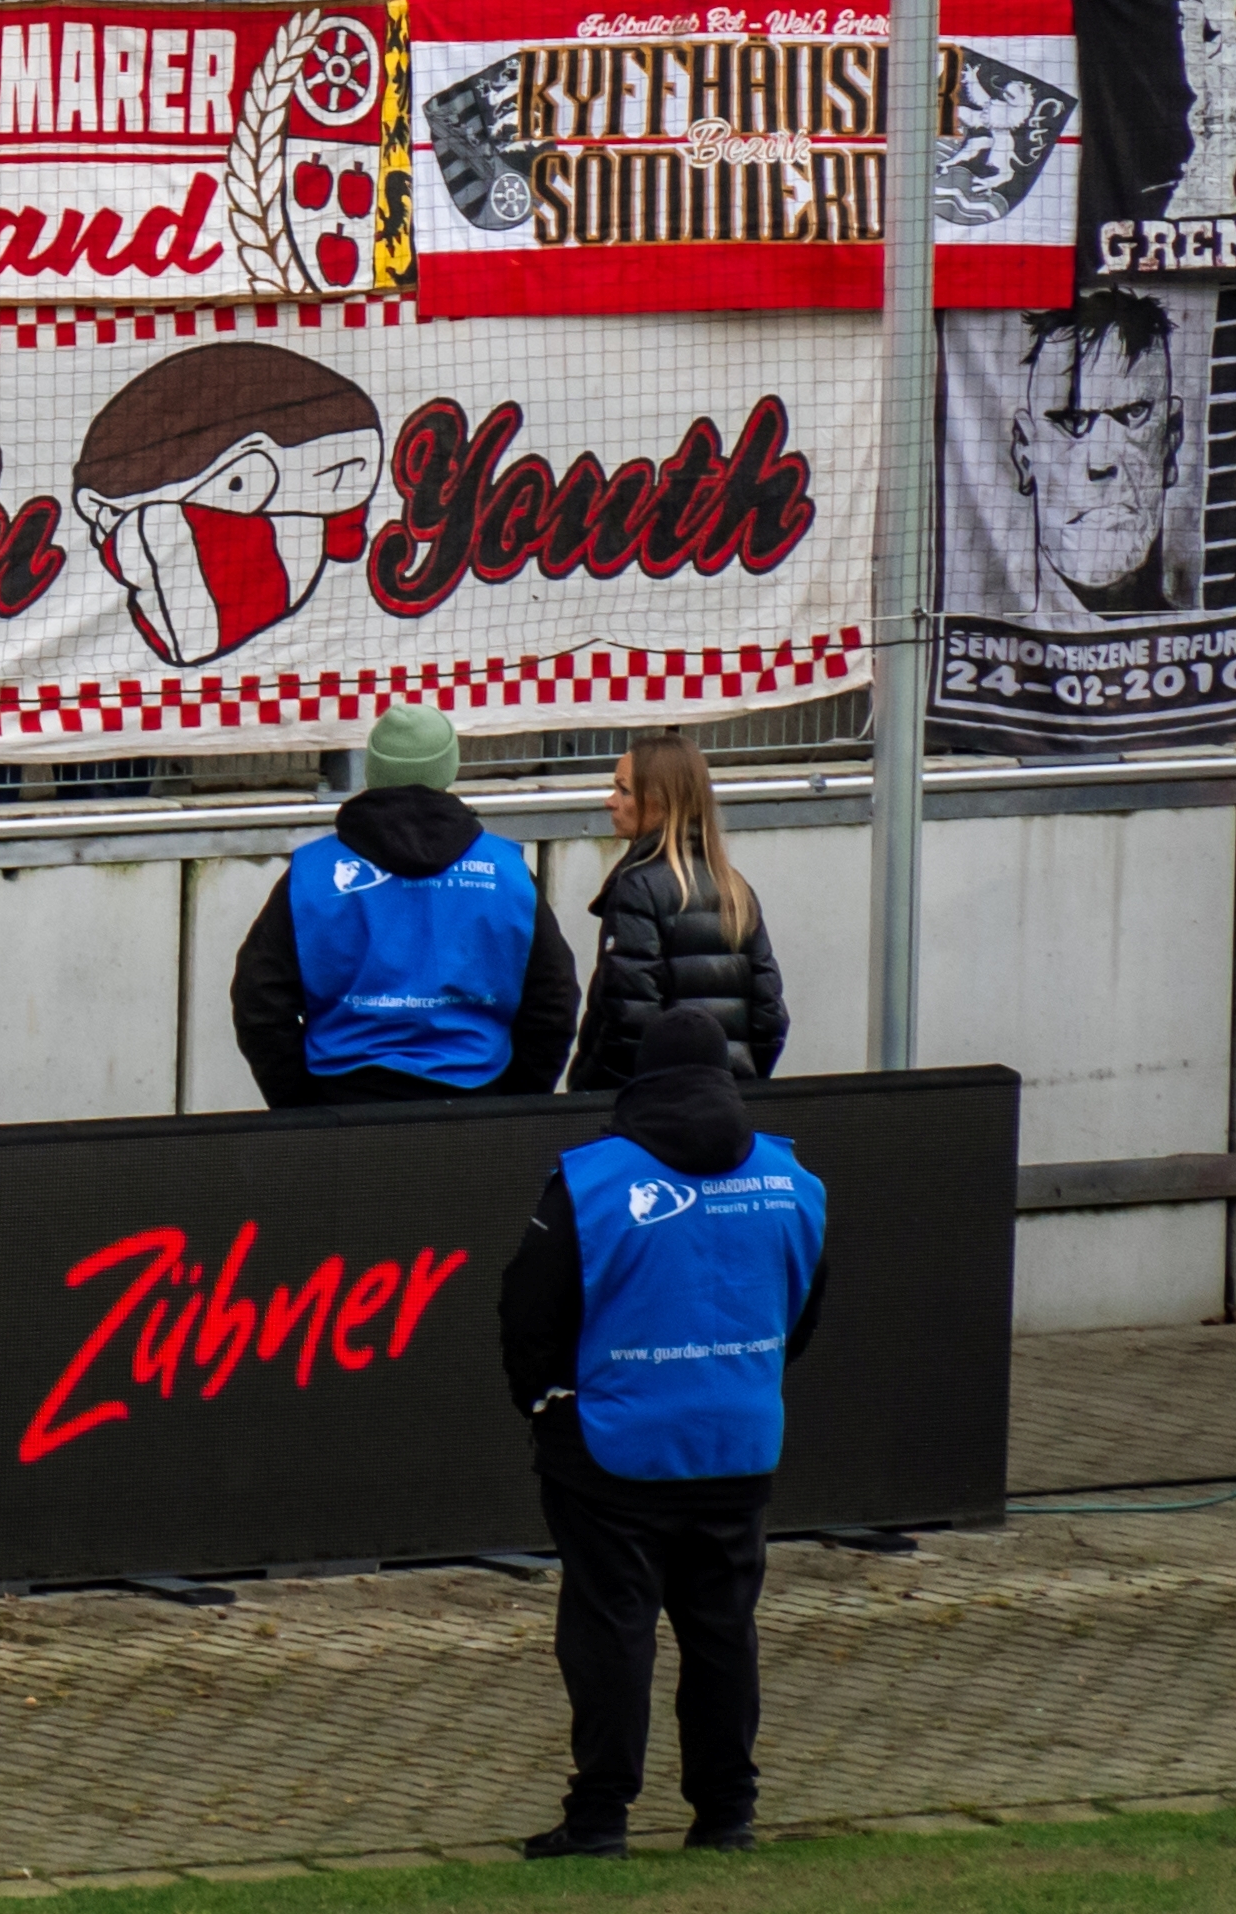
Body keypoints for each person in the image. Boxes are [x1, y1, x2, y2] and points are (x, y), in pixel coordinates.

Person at [501, 1004, 827, 1859]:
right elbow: (803, 1308)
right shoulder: (794, 1181)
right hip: (740, 1439)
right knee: (724, 1629)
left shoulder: (593, 1180)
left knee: (612, 1628)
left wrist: (544, 1405)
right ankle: (727, 1816)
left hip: (614, 1448)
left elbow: (530, 1313)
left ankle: (601, 1817)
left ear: (640, 1081)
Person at [231, 703, 577, 1106]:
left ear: (374, 770)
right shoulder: (507, 873)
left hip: (342, 1104)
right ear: (448, 769)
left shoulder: (312, 873)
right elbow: (553, 1003)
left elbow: (260, 1003)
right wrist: (514, 1102)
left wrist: (302, 1107)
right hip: (478, 1103)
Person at [568, 734, 789, 1090]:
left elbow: (628, 1020)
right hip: (724, 1105)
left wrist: (588, 1087)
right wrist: (737, 1085)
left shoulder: (638, 889)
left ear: (658, 803)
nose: (609, 802)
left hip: (651, 1109)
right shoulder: (735, 888)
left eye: (623, 790)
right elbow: (770, 1019)